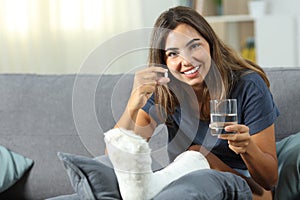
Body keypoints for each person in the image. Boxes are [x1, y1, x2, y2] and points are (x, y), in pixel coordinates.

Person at [110, 6, 279, 199]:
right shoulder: (165, 92)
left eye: (194, 46)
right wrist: (132, 106)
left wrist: (247, 147)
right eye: (173, 53)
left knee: (198, 151)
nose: (186, 60)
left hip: (250, 191)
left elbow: (269, 180)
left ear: (210, 44)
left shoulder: (248, 85)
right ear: (163, 61)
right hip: (187, 188)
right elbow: (114, 156)